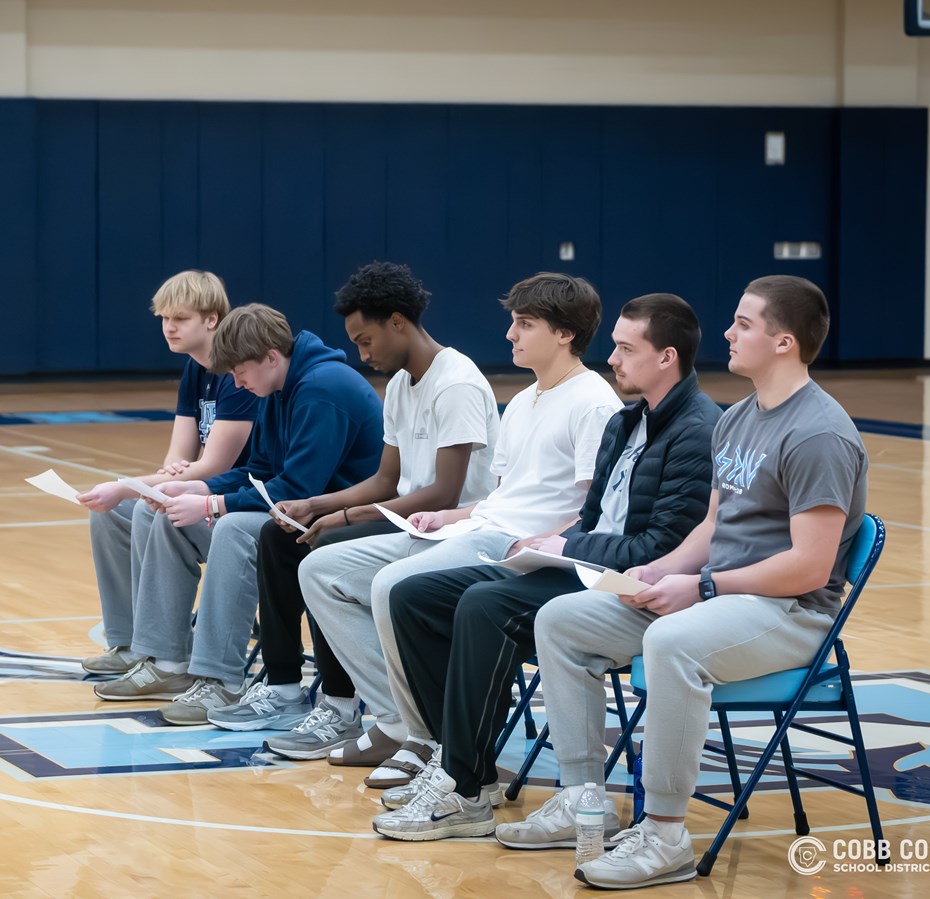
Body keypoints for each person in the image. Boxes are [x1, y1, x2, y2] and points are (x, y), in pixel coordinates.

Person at [506, 275, 868, 890]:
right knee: (561, 620)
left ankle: (665, 833)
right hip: (721, 594)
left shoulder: (819, 434)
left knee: (671, 644)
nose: (728, 332)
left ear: (783, 343)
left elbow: (809, 567)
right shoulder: (739, 418)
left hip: (790, 611)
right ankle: (583, 799)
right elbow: (712, 524)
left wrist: (700, 589)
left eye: (744, 324)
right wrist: (655, 571)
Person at [372, 293, 720, 841]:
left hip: (629, 584)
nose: (613, 359)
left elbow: (659, 547)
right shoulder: (630, 420)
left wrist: (568, 548)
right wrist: (556, 541)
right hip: (587, 567)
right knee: (415, 595)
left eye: (627, 350)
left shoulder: (697, 431)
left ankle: (467, 790)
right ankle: (451, 759)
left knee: (486, 605)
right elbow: (591, 516)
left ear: (667, 358)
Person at [296, 273, 622, 782]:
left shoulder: (593, 402)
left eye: (525, 324)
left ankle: (425, 738)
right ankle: (396, 719)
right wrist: (451, 516)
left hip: (515, 547)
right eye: (513, 323)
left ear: (564, 333)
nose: (511, 335)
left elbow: (592, 509)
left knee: (392, 586)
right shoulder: (524, 400)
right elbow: (503, 497)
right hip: (479, 528)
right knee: (321, 568)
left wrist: (544, 540)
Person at [208, 263, 500, 752]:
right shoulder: (403, 387)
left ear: (397, 322)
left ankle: (341, 706)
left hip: (450, 530)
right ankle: (283, 688)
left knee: (325, 548)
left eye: (366, 340)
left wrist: (341, 517)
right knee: (280, 533)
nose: (363, 354)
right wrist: (313, 504)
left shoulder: (457, 383)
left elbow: (445, 495)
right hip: (405, 520)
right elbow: (386, 480)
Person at [94, 304, 383, 726]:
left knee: (231, 529)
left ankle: (221, 680)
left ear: (269, 356)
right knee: (170, 517)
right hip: (295, 516)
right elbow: (261, 472)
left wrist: (213, 504)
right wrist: (200, 487)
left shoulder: (322, 388)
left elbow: (298, 491)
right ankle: (168, 662)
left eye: (240, 372)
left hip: (340, 524)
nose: (236, 382)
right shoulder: (275, 384)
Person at [74, 271, 257, 676]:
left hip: (231, 501)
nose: (168, 328)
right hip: (202, 489)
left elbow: (215, 467)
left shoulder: (238, 374)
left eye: (180, 319)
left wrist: (126, 486)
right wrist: (167, 474)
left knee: (146, 508)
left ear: (212, 320)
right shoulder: (195, 369)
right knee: (110, 513)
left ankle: (166, 652)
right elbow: (179, 454)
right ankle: (129, 641)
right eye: (163, 318)